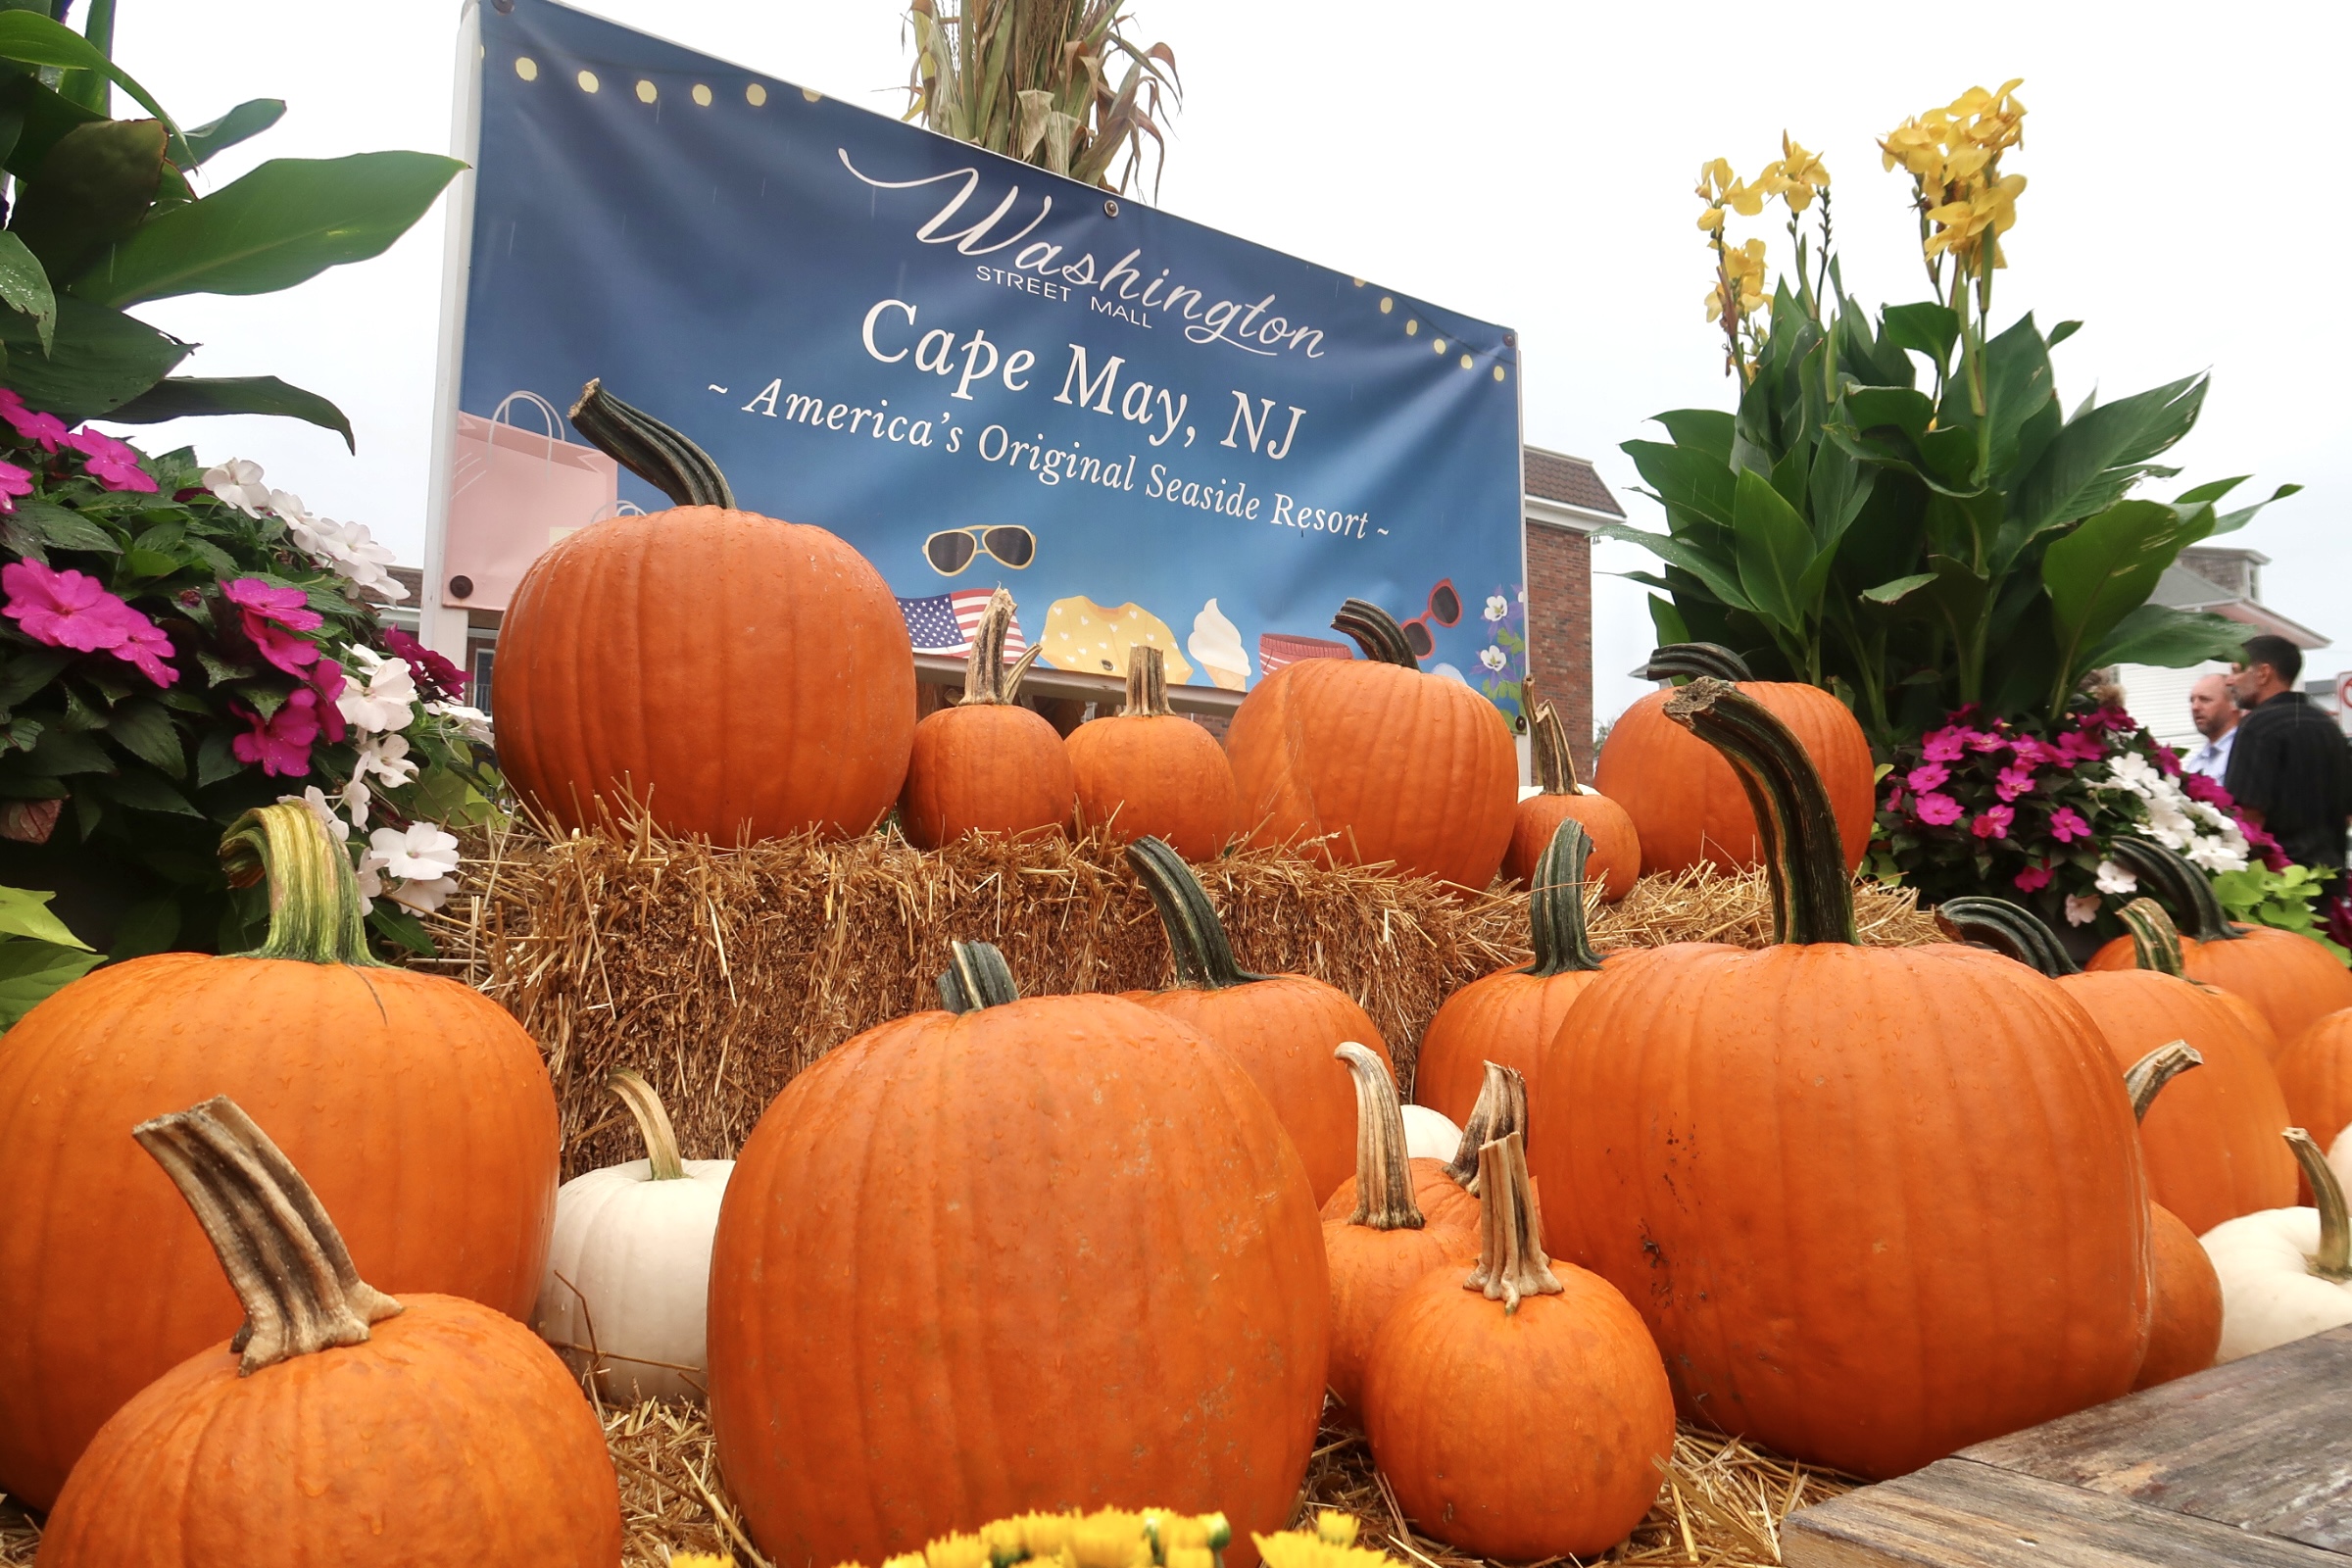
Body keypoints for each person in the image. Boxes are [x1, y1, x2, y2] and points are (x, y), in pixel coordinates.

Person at [2225, 635, 2352, 879]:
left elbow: (2249, 815)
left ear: (2263, 673)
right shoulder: (2327, 724)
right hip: (2329, 877)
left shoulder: (2258, 726)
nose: (2230, 681)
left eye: (2236, 671)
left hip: (2281, 882)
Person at [2182, 672, 2240, 780]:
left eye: (2205, 699)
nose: (2195, 707)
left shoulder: (2246, 750)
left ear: (2233, 703)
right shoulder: (2196, 764)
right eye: (2192, 700)